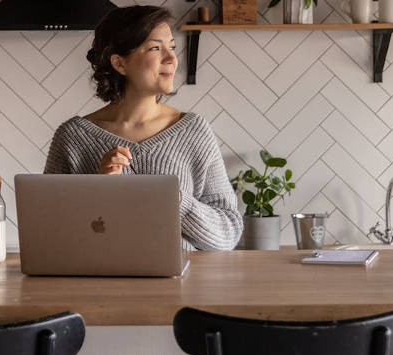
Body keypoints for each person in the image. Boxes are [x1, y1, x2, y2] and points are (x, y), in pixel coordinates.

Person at [43, 5, 243, 251]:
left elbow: (228, 234)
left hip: (182, 287)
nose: (171, 58)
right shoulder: (72, 137)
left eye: (171, 46)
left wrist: (176, 200)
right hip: (98, 286)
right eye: (156, 48)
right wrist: (97, 190)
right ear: (120, 63)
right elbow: (48, 235)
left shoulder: (193, 131)